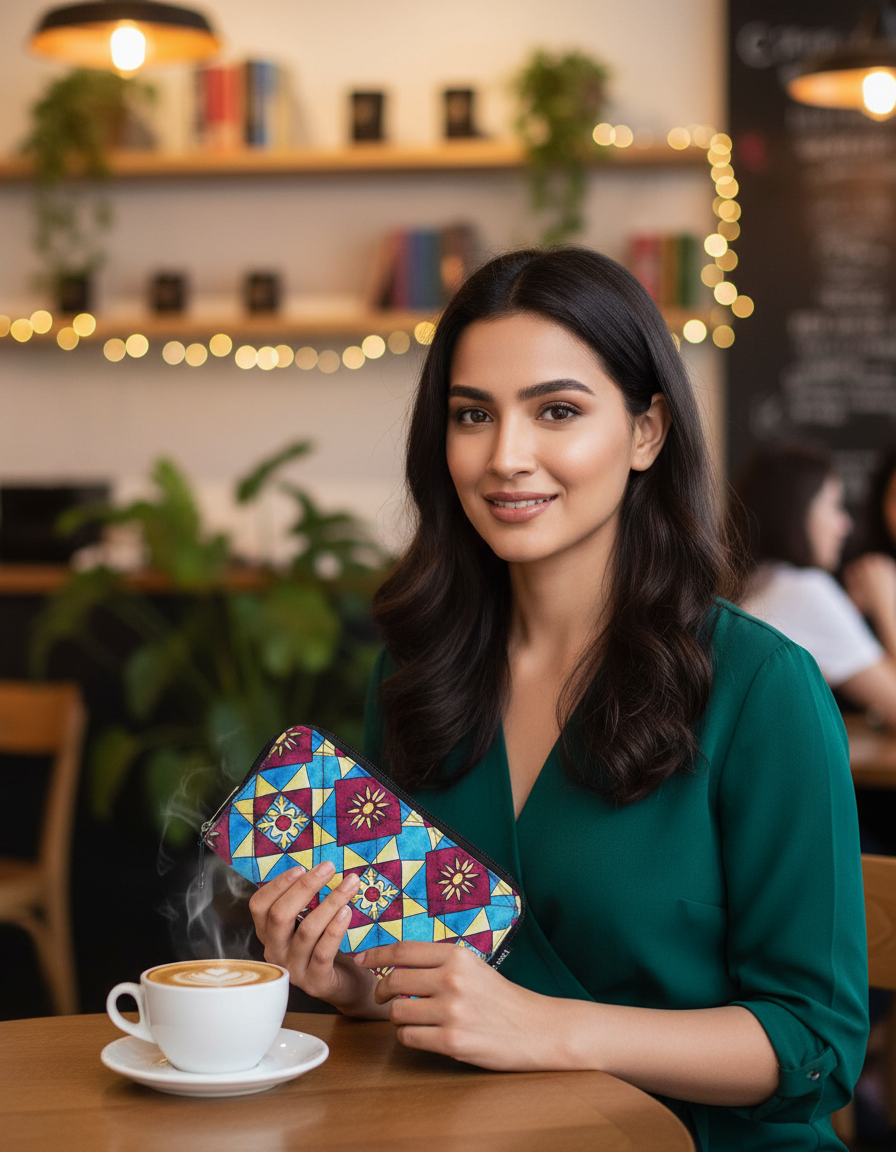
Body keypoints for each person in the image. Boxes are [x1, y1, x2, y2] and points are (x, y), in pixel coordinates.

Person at [249, 247, 868, 1152]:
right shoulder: (415, 676)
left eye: (558, 411)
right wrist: (358, 987)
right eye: (473, 415)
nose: (506, 458)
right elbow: (439, 988)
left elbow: (814, 1043)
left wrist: (546, 1028)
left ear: (647, 432)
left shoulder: (762, 686)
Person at [733, 441, 896, 727]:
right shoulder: (804, 588)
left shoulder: (760, 580)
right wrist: (886, 603)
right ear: (798, 511)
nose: (844, 524)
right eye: (833, 506)